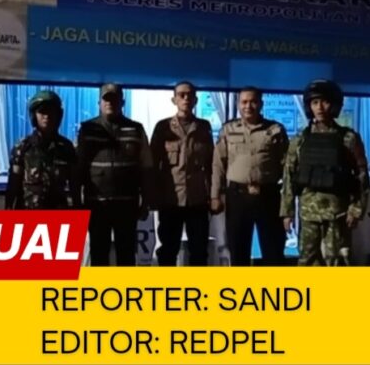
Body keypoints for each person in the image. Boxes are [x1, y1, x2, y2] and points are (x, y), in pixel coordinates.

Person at [280, 80, 369, 266]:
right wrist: (287, 212)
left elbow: (361, 175)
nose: (319, 107)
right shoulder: (300, 140)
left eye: (325, 102)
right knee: (307, 261)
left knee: (335, 261)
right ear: (309, 106)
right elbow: (289, 175)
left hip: (338, 213)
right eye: (315, 102)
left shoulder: (348, 138)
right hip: (308, 213)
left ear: (334, 105)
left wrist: (356, 209)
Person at [77, 83, 153, 266]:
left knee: (126, 257)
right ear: (99, 103)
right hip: (97, 205)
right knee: (99, 255)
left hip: (126, 205)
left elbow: (146, 168)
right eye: (106, 99)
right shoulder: (88, 129)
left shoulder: (136, 129)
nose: (110, 103)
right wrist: (77, 202)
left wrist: (146, 202)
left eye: (114, 99)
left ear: (122, 102)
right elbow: (78, 168)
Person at [211, 86, 289, 266]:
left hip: (268, 196)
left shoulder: (275, 130)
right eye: (244, 102)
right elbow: (218, 164)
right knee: (238, 252)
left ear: (261, 104)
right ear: (238, 104)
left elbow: (287, 167)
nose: (248, 106)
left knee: (274, 252)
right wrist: (215, 196)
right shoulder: (228, 129)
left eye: (253, 102)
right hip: (237, 197)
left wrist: (288, 204)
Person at [150, 81, 214, 266]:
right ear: (174, 100)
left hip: (197, 199)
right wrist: (152, 195)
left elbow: (211, 164)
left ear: (195, 100)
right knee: (168, 250)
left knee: (199, 251)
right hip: (170, 199)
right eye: (181, 95)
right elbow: (153, 164)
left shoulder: (203, 127)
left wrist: (214, 195)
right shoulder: (163, 127)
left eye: (189, 95)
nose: (186, 98)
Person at [6, 90, 79, 209]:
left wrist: (78, 208)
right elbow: (13, 184)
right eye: (42, 111)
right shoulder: (23, 146)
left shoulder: (66, 147)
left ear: (58, 115)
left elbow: (74, 184)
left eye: (51, 111)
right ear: (34, 115)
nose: (47, 116)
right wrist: (8, 209)